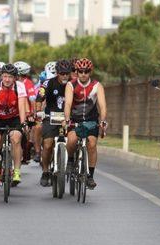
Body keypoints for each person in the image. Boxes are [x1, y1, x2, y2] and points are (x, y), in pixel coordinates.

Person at [63, 58, 107, 190]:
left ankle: (90, 176)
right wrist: (66, 119)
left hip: (91, 120)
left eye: (86, 71)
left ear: (90, 72)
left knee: (92, 144)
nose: (83, 74)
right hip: (74, 120)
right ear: (76, 71)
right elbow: (68, 104)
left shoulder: (96, 86)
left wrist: (103, 120)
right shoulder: (71, 85)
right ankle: (70, 160)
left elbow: (102, 106)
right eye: (80, 71)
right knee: (71, 140)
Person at [0, 63, 29, 186]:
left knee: (16, 138)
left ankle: (16, 171)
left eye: (10, 77)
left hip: (14, 118)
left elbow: (22, 107)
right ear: (1, 76)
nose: (7, 79)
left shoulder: (19, 87)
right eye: (5, 76)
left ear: (15, 78)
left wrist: (23, 123)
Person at [36, 59, 74, 186]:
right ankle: (45, 171)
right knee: (47, 144)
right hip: (51, 116)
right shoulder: (48, 83)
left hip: (69, 117)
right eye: (62, 73)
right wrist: (38, 112)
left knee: (74, 140)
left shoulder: (73, 84)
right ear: (57, 73)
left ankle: (73, 162)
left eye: (67, 73)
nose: (64, 76)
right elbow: (39, 98)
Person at [14, 61, 38, 163]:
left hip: (26, 112)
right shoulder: (12, 82)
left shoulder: (27, 83)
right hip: (15, 112)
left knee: (25, 132)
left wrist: (33, 113)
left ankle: (26, 151)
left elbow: (32, 99)